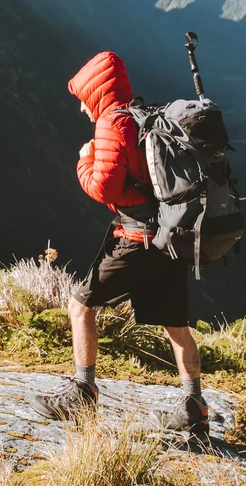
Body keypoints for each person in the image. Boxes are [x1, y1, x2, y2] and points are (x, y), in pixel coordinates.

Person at [32, 51, 208, 438]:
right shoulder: (143, 116)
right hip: (170, 236)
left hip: (137, 239)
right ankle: (195, 409)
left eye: (83, 97)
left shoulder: (112, 124)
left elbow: (105, 186)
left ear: (98, 92)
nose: (81, 107)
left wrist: (84, 161)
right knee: (177, 327)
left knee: (80, 305)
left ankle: (82, 392)